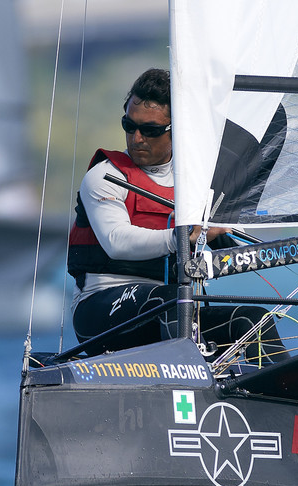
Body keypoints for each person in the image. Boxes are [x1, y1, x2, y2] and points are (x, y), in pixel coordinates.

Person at [67, 68, 284, 360]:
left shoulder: (196, 185)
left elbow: (231, 250)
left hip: (171, 307)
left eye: (151, 130)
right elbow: (115, 240)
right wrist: (183, 236)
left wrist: (224, 234)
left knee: (253, 321)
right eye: (129, 126)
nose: (137, 138)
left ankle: (287, 397)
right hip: (99, 312)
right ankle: (190, 379)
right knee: (173, 300)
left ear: (178, 129)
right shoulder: (104, 176)